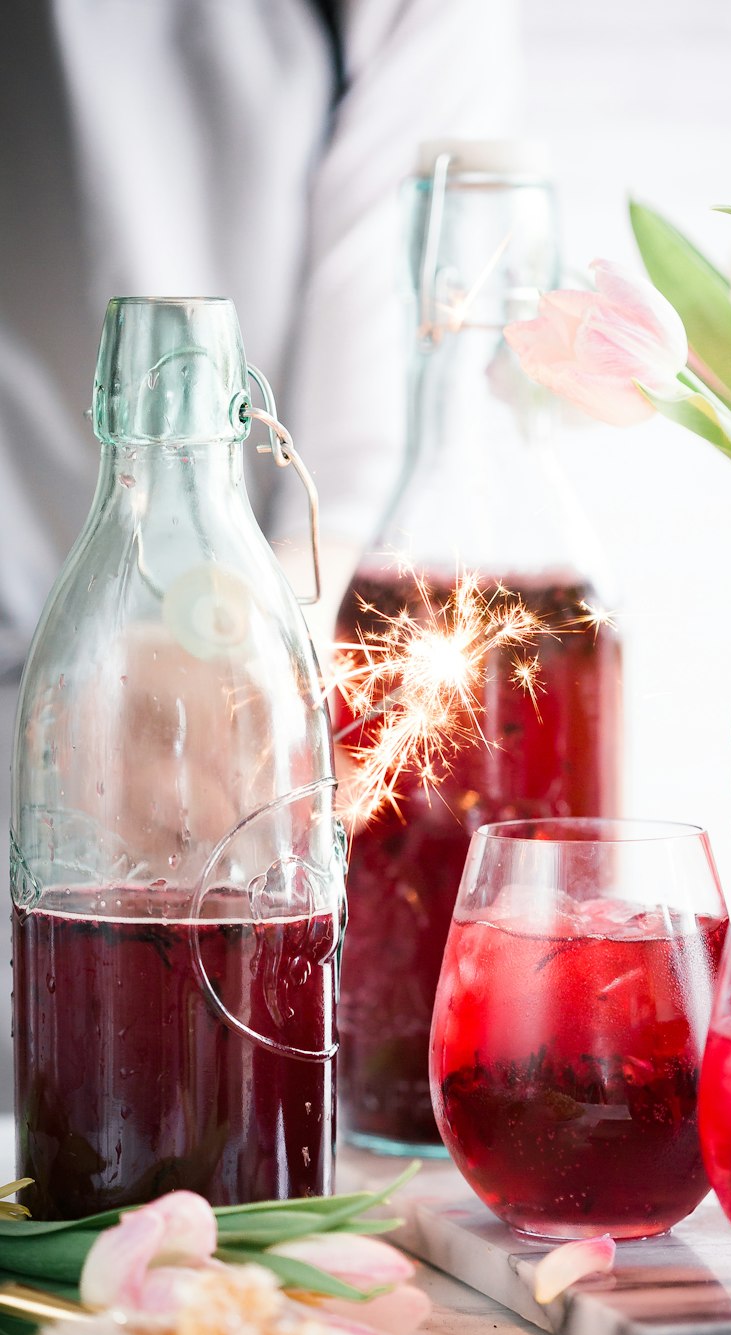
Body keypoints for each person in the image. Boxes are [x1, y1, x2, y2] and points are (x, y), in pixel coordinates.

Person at [0, 0, 520, 1111]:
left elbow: (370, 451)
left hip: (199, 704)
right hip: (55, 783)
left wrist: (225, 649)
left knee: (192, 1157)